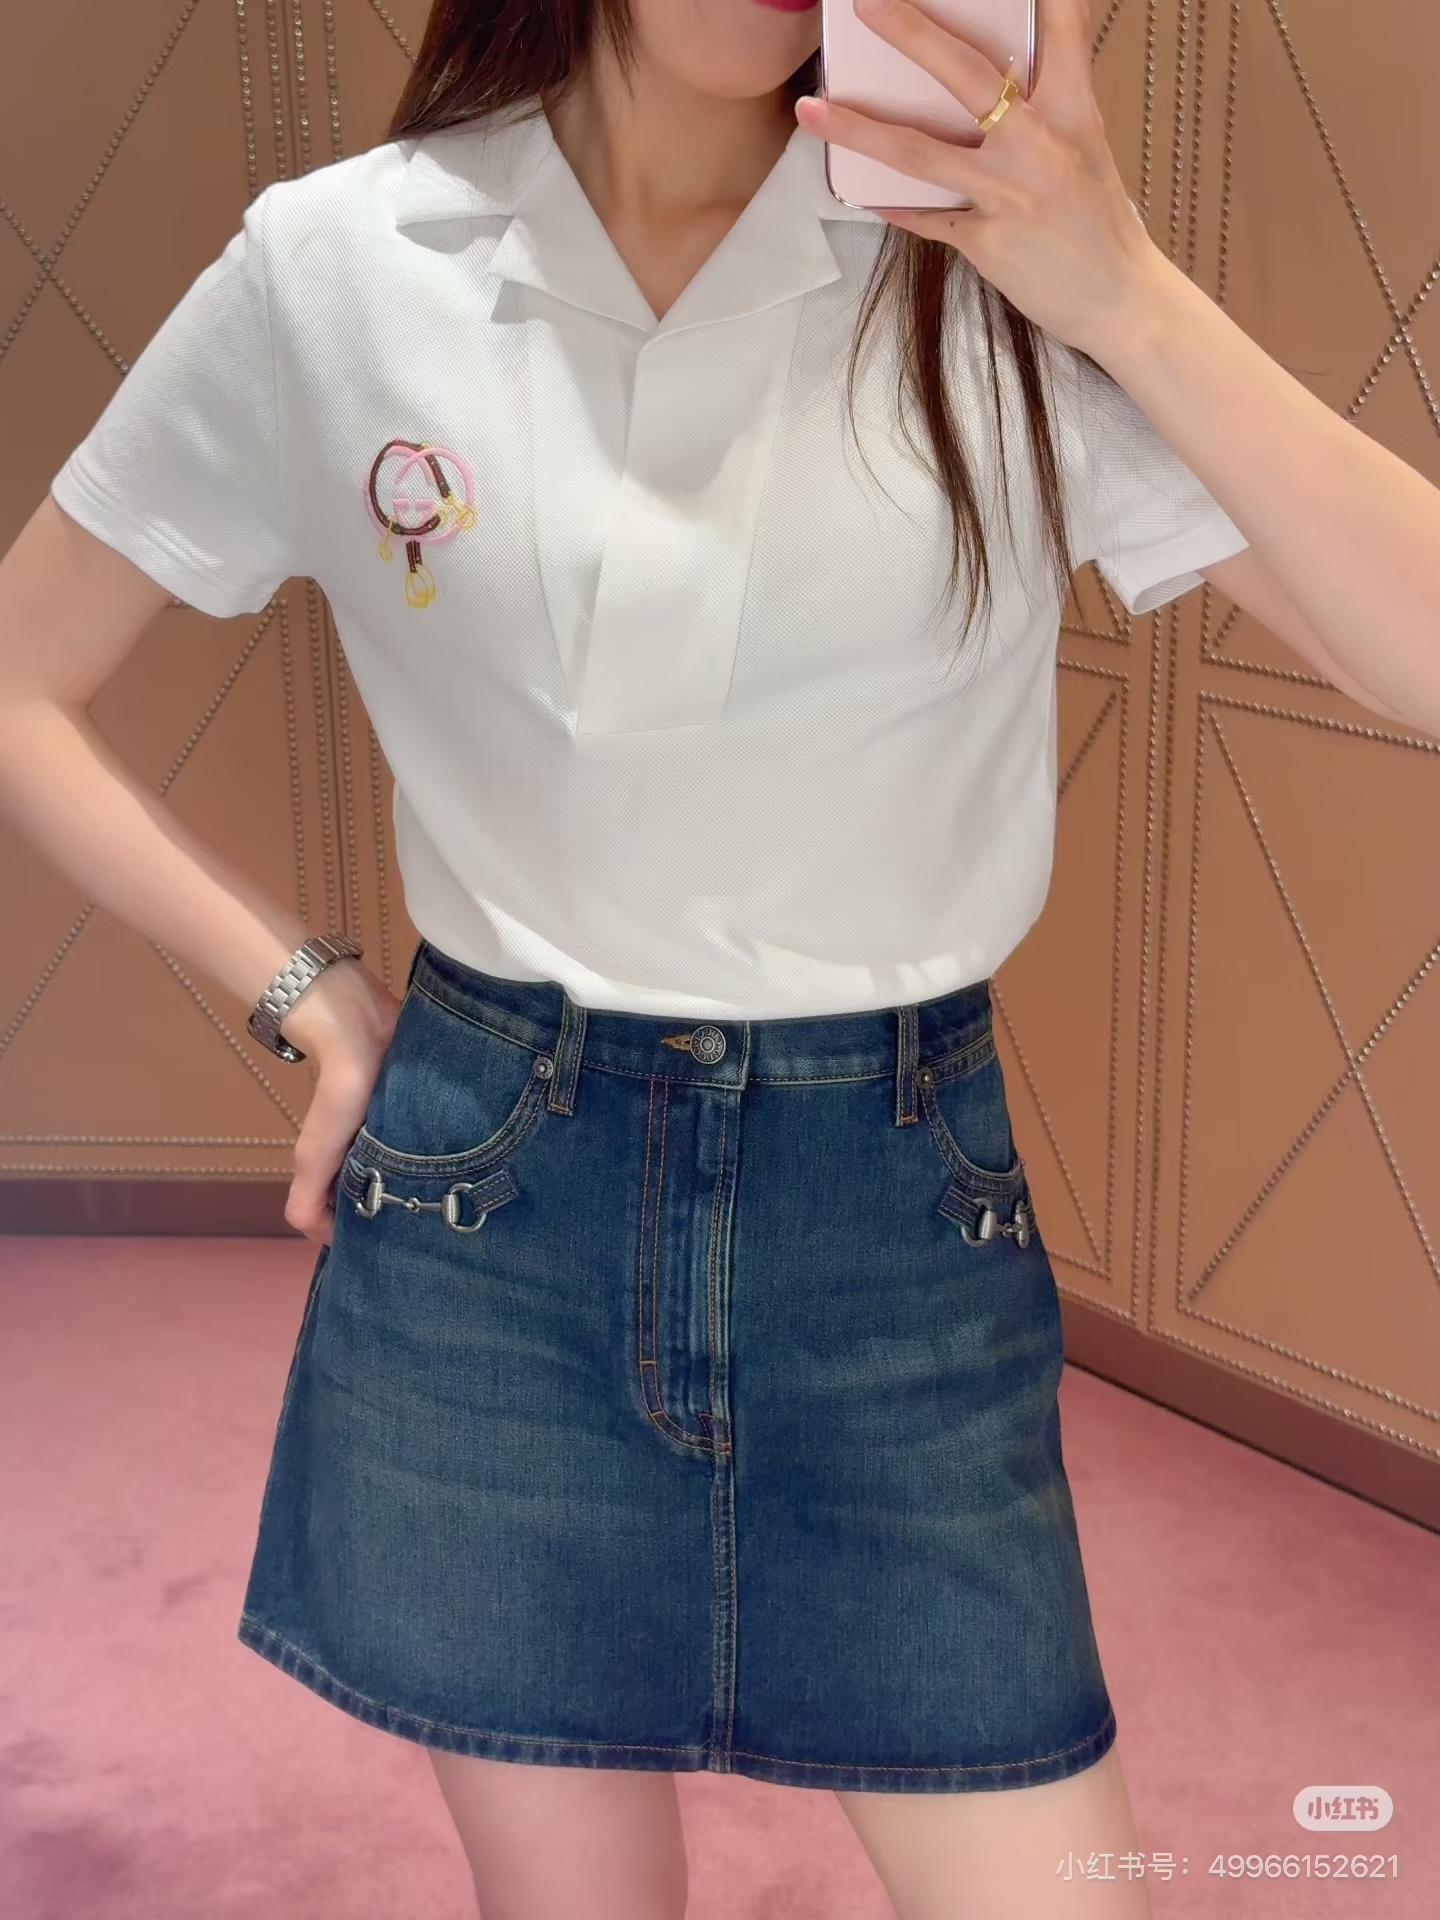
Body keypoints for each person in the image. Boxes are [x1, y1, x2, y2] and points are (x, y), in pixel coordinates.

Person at [2, 0, 1437, 1915]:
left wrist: (1126, 292)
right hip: (491, 1213)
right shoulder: (341, 266)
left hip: (890, 1222)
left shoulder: (990, 272)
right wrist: (307, 994)